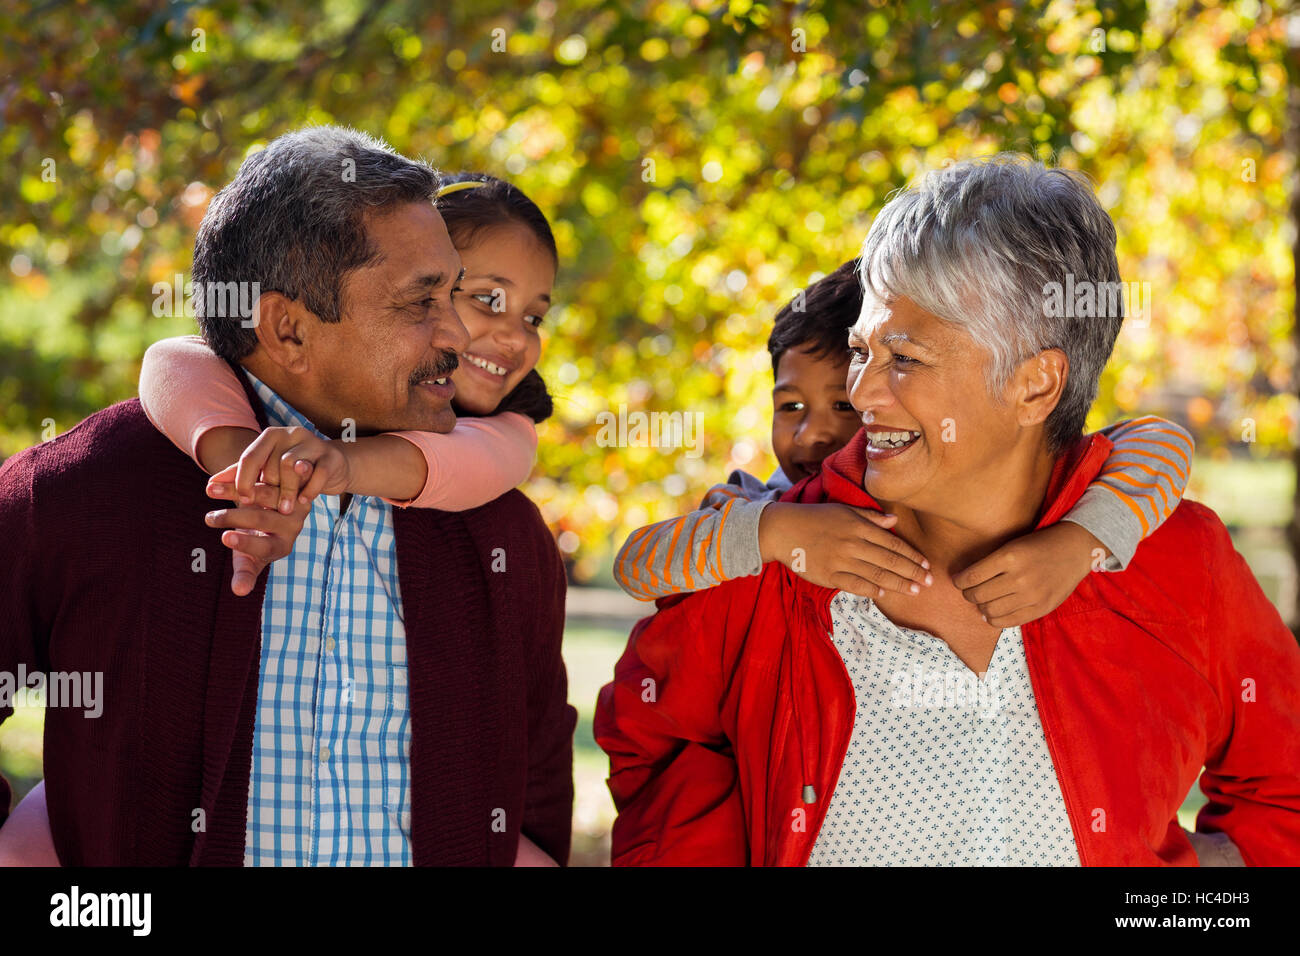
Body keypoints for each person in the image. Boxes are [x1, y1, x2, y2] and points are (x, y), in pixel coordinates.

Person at [595, 154, 1300, 866]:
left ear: (1034, 385)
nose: (862, 395)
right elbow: (655, 746)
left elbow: (1283, 791)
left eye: (904, 358)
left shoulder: (1181, 560)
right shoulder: (769, 557)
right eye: (860, 351)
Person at [0, 126, 575, 866]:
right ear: (287, 328)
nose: (460, 334)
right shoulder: (79, 492)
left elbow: (537, 782)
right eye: (421, 302)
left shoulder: (502, 531)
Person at [613, 260, 1195, 631]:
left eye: (843, 405)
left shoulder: (1014, 486)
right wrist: (776, 532)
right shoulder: (757, 502)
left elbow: (1162, 441)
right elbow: (636, 566)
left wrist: (1079, 544)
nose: (811, 433)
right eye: (790, 407)